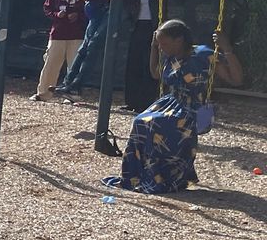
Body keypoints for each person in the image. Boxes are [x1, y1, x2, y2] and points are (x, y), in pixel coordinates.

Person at [103, 21, 243, 194]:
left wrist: (226, 48)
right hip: (171, 102)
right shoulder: (171, 56)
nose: (162, 47)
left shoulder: (203, 54)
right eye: (160, 44)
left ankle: (164, 177)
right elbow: (155, 73)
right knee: (140, 121)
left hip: (194, 107)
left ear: (179, 40)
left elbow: (236, 80)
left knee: (155, 124)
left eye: (164, 44)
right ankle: (137, 176)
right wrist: (153, 48)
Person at [122, 0, 177, 113]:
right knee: (133, 63)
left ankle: (146, 101)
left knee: (149, 63)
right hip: (137, 26)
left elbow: (178, 0)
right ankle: (131, 101)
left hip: (153, 28)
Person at [30, 0, 90, 101]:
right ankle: (43, 93)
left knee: (74, 65)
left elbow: (92, 10)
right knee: (51, 63)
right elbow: (47, 7)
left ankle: (72, 94)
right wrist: (57, 15)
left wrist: (79, 16)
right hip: (58, 33)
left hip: (77, 34)